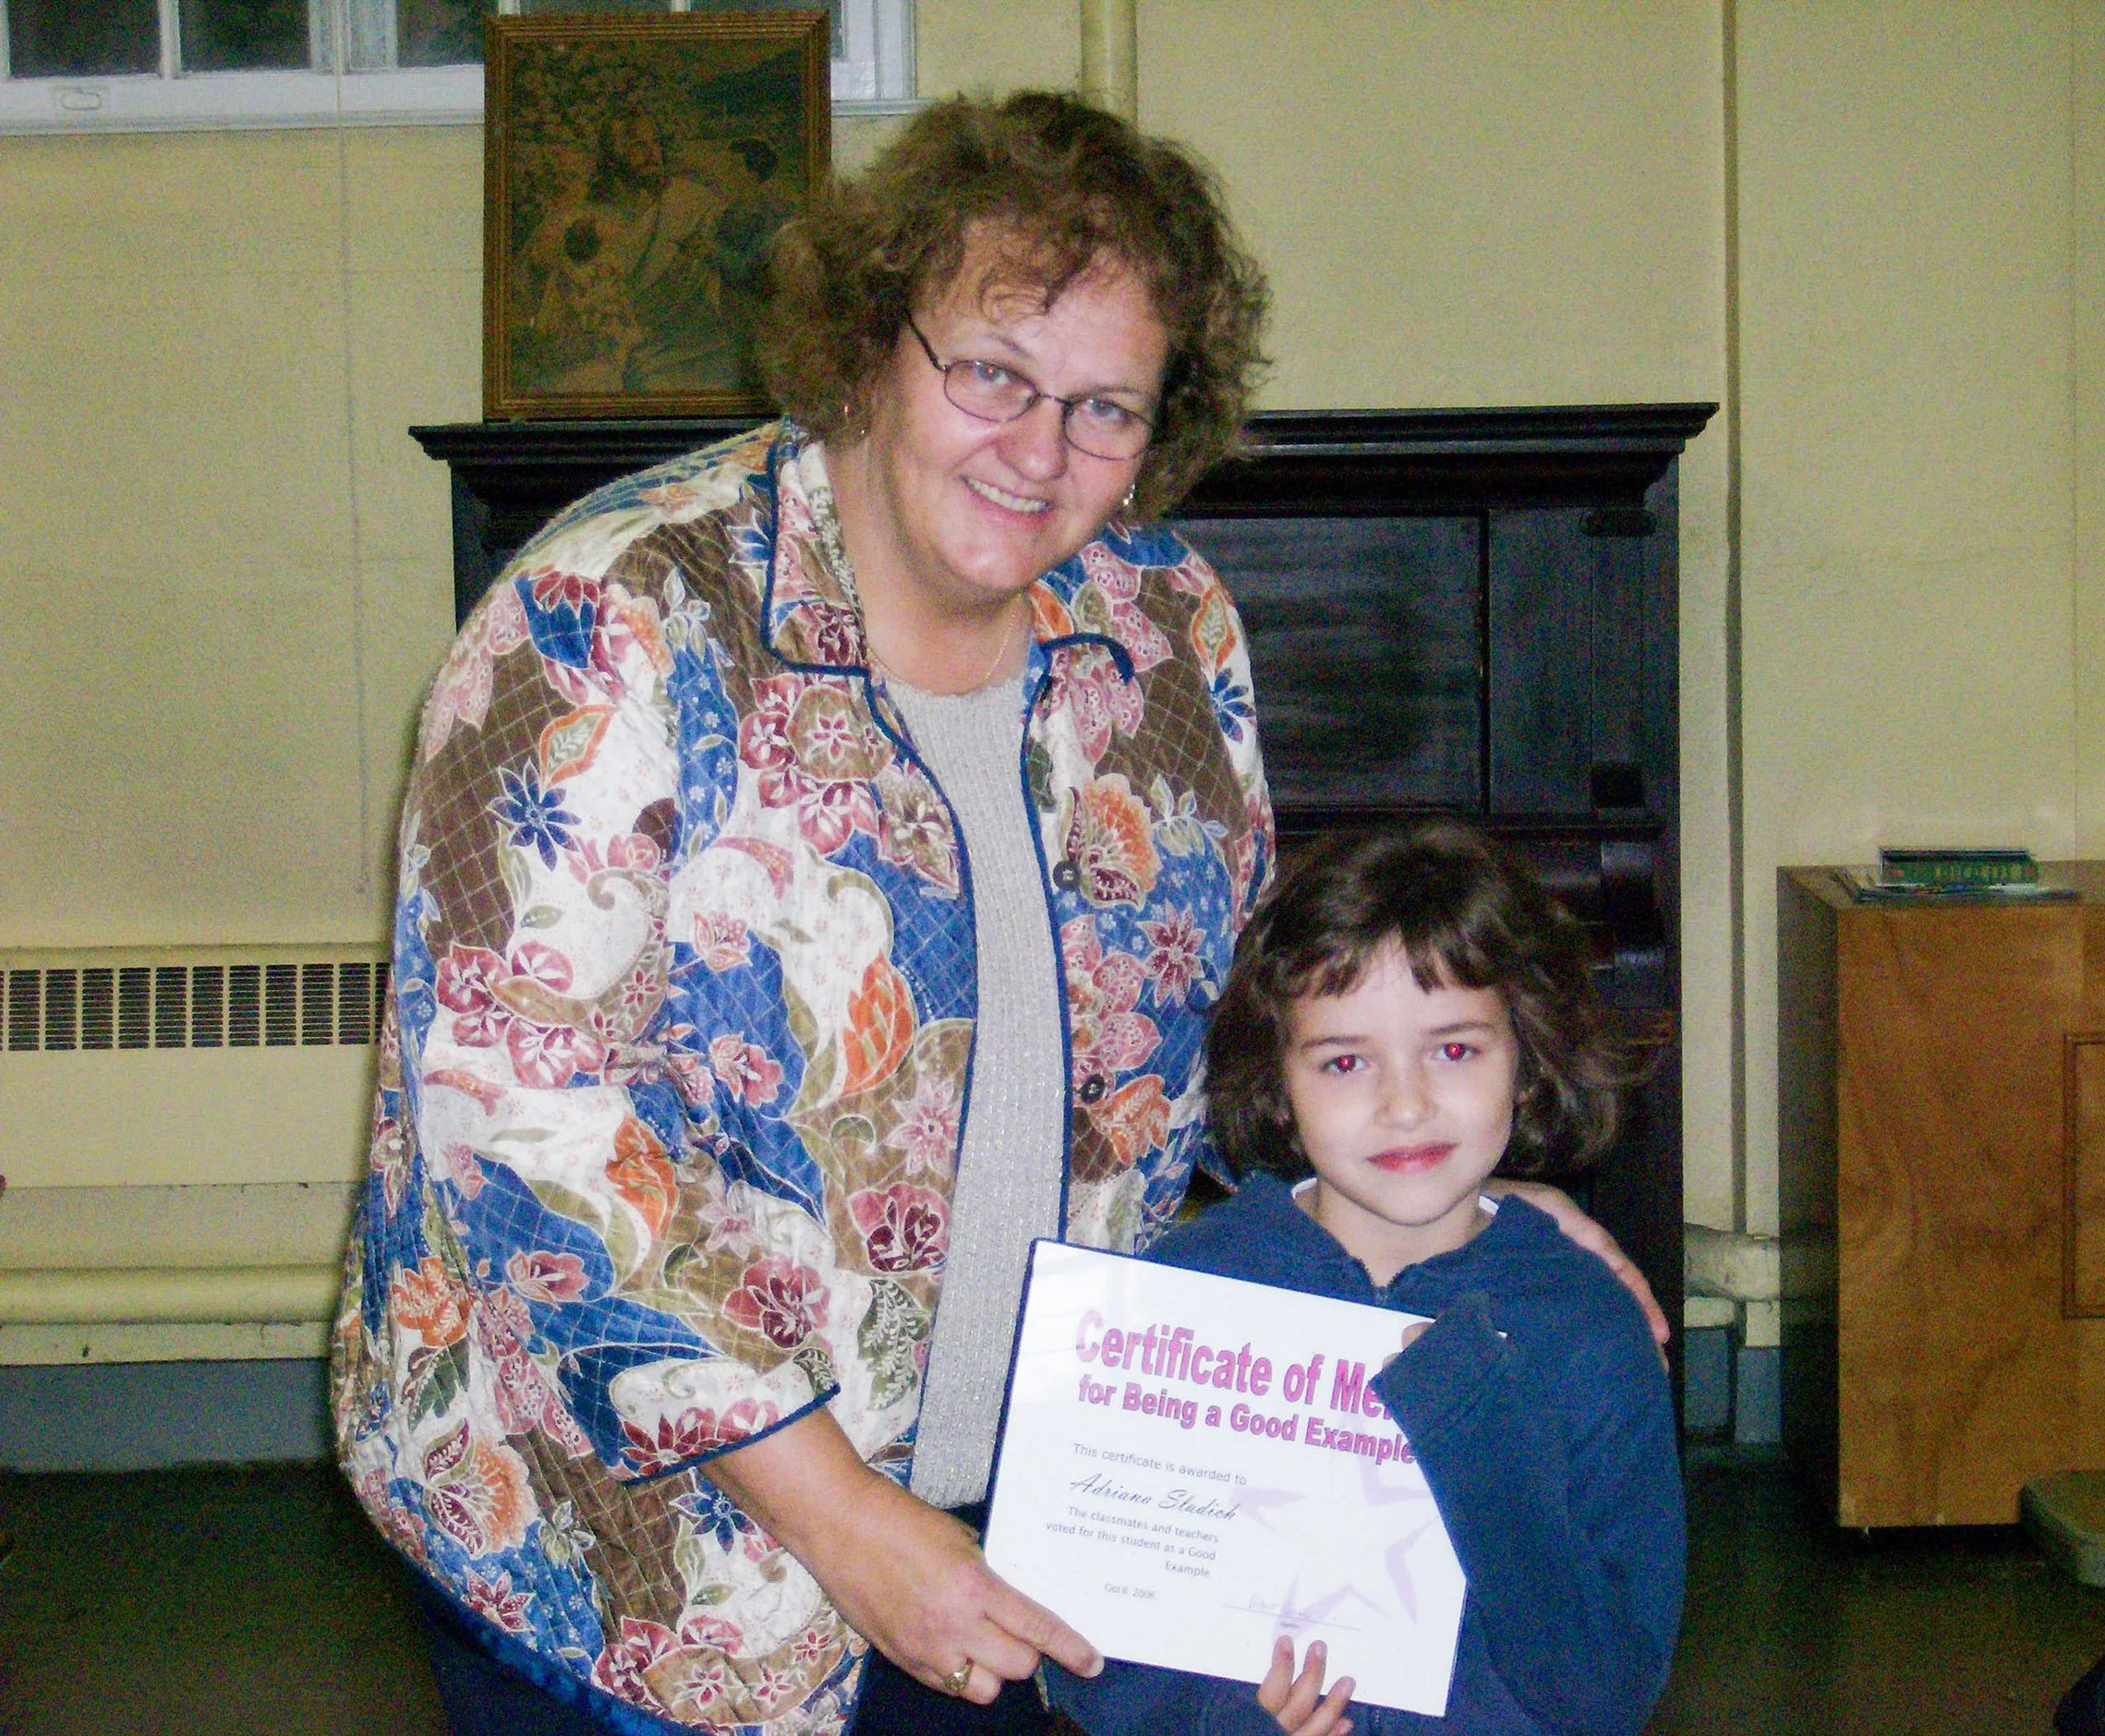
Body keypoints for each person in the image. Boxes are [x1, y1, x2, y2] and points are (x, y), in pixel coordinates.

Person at [332, 91, 1665, 1736]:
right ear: (868, 344)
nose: (1039, 452)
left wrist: (1467, 1222)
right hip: (642, 1558)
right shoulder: (605, 622)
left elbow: (1240, 1044)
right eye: (991, 374)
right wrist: (843, 1520)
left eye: (1105, 406)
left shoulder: (1162, 626)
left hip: (1027, 1523)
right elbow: (517, 1136)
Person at [1049, 821, 1684, 1736]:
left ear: (1525, 1053)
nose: (1404, 1101)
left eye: (1454, 1049)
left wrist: (1471, 1417)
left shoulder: (1586, 1326)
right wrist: (1242, 1718)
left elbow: (1603, 1694)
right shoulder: (1185, 1295)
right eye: (1344, 1060)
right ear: (1278, 1077)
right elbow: (1096, 1670)